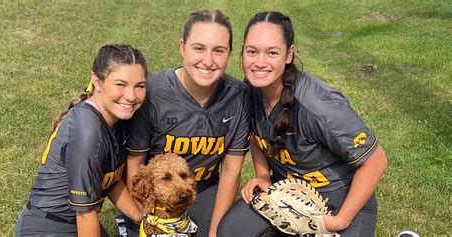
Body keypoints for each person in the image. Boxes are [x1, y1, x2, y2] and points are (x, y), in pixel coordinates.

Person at [218, 11, 388, 237]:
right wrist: (263, 175)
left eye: (272, 52)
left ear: (289, 54)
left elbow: (376, 161)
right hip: (287, 198)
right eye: (252, 51)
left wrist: (338, 221)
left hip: (340, 203)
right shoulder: (250, 90)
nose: (259, 62)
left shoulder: (319, 105)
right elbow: (256, 137)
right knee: (232, 231)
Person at [118, 9, 251, 237]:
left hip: (205, 188)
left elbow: (231, 171)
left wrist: (216, 230)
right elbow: (135, 165)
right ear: (182, 47)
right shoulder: (153, 93)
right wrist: (143, 212)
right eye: (198, 48)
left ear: (229, 53)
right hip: (157, 192)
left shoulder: (238, 97)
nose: (207, 61)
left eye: (218, 50)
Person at [15, 44, 148, 236]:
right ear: (97, 82)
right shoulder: (88, 132)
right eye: (121, 84)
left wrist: (139, 216)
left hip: (74, 222)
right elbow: (85, 215)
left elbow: (109, 178)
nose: (131, 96)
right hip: (48, 227)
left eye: (139, 86)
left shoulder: (115, 116)